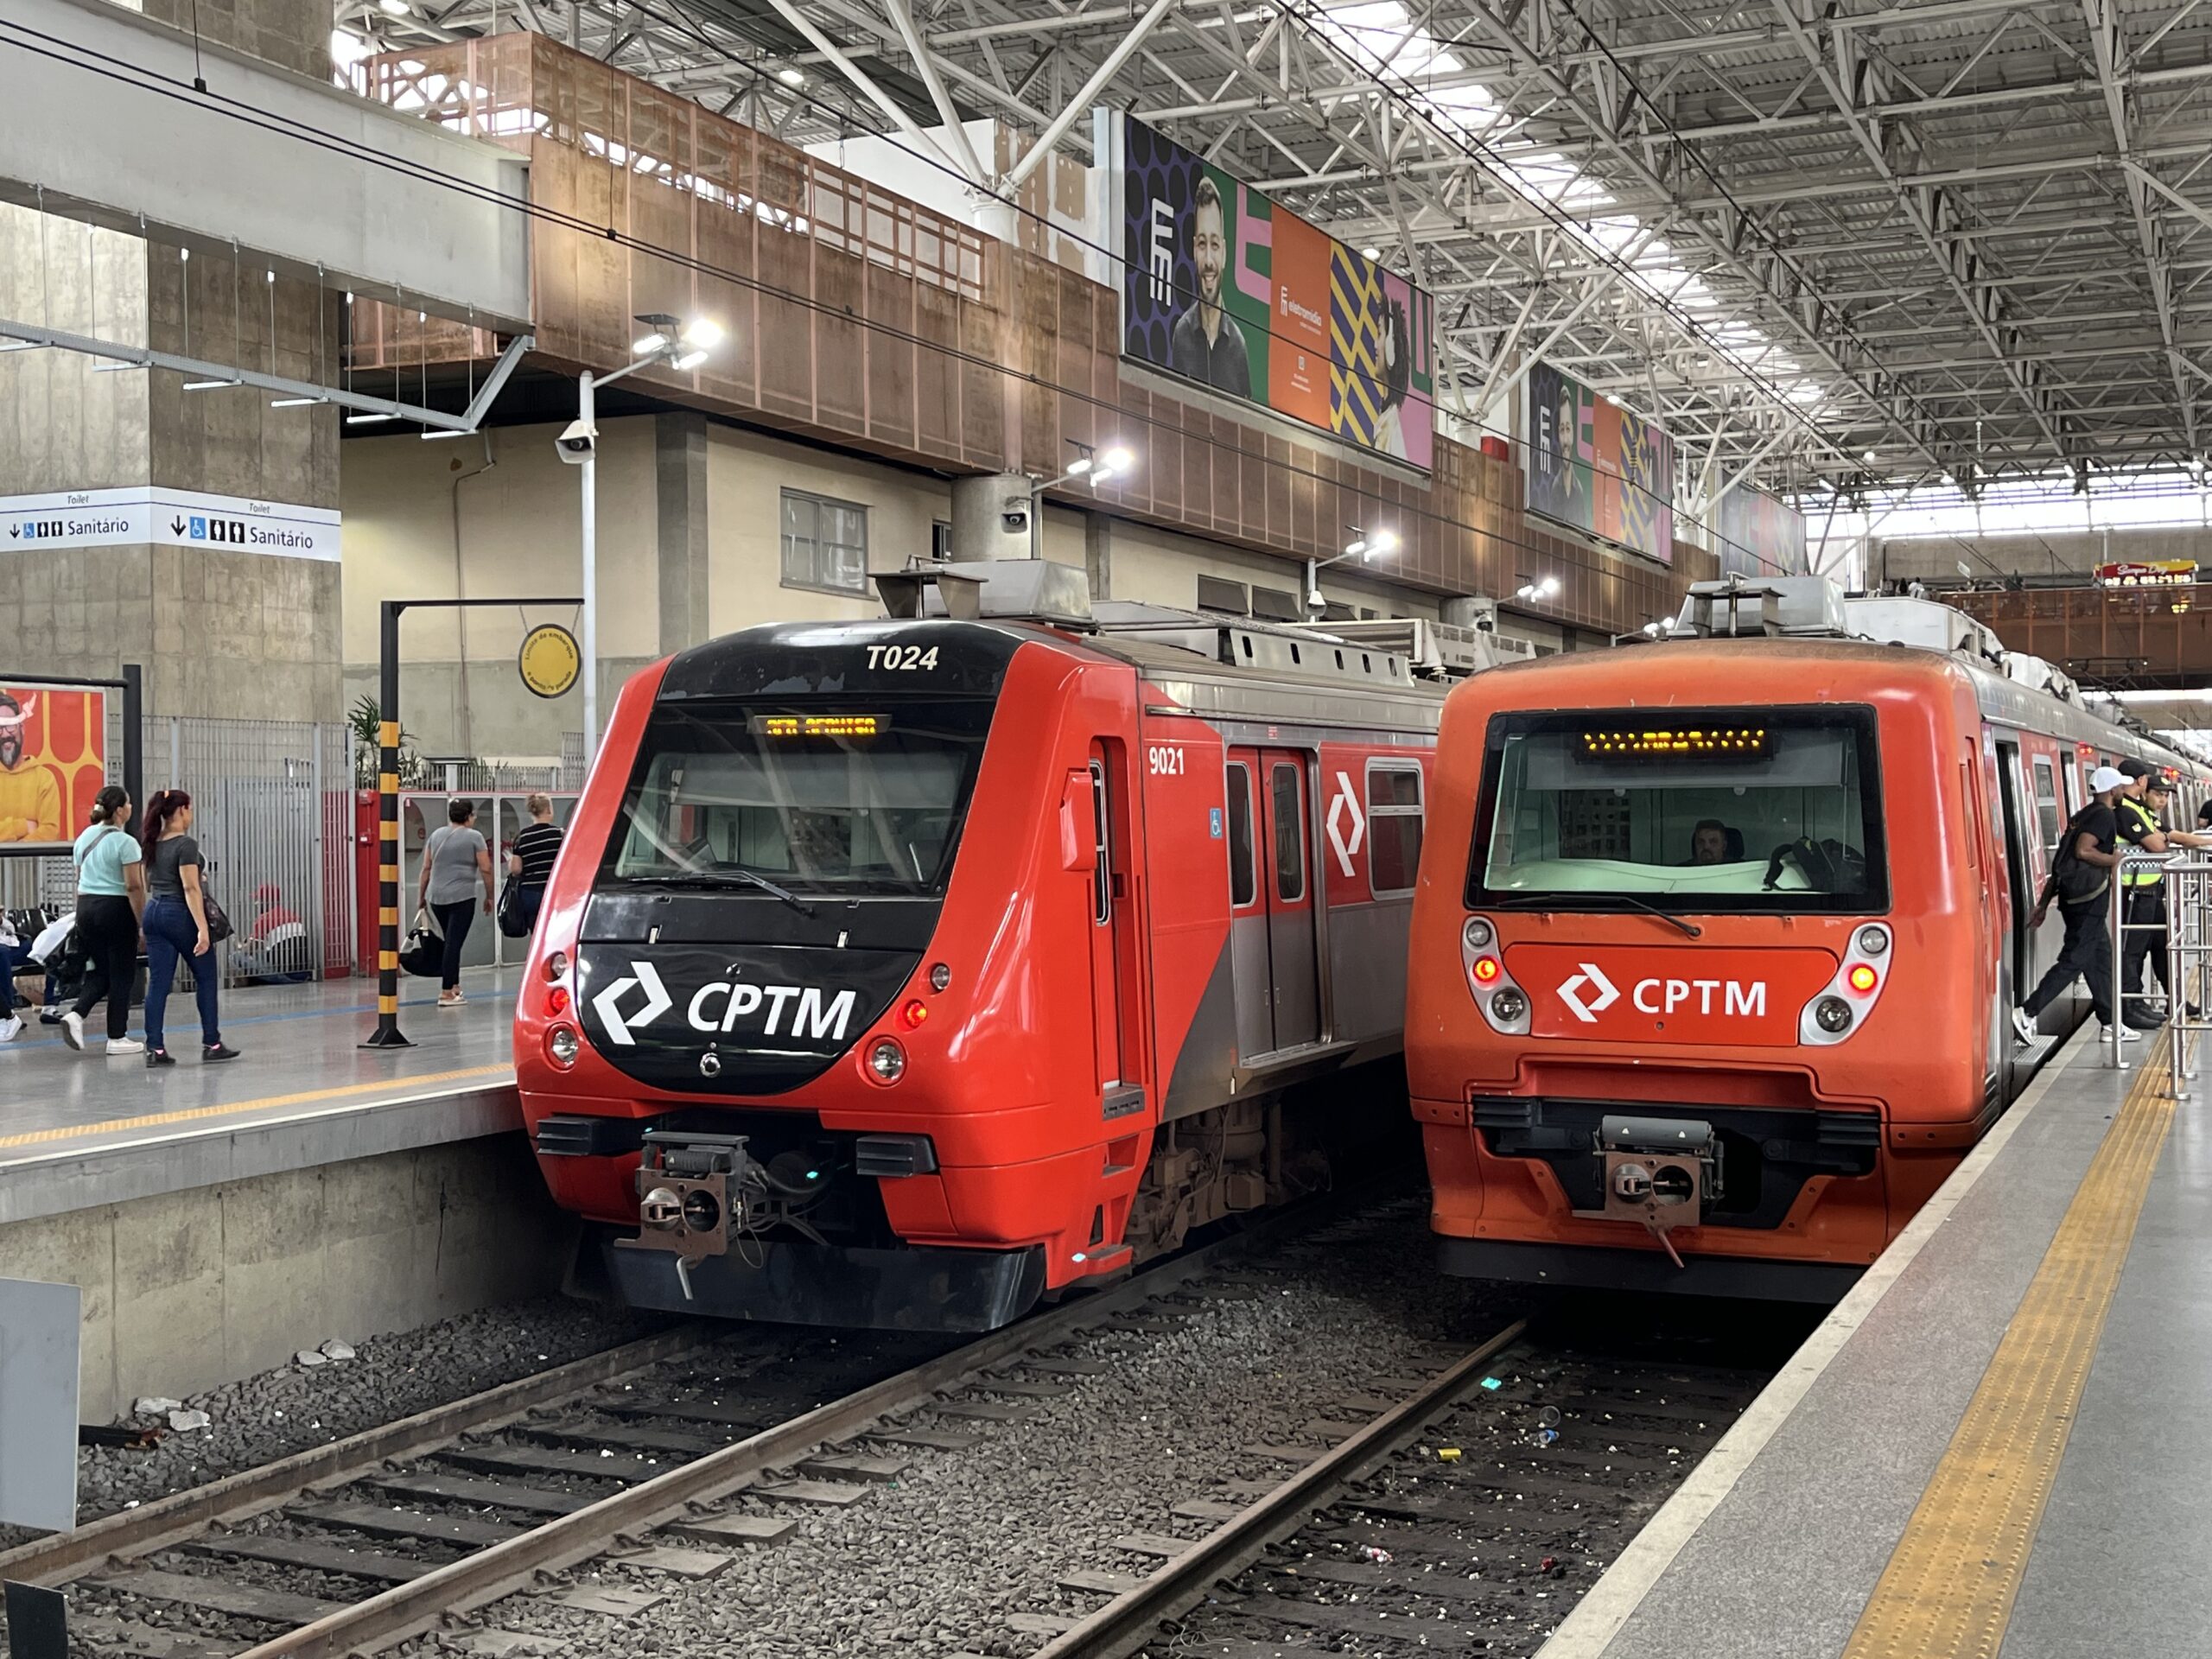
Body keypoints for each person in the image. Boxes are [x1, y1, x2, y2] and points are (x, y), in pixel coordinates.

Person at [2012, 766, 2159, 1046]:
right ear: (2111, 790)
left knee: (2101, 959)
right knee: (2075, 958)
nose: (2122, 793)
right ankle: (2027, 1011)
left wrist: (2044, 904)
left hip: (2074, 898)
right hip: (2089, 900)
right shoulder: (2103, 816)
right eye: (2119, 788)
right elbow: (2083, 851)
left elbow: (2062, 863)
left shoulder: (2082, 815)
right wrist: (2116, 860)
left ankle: (2110, 1023)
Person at [138, 790, 238, 1067]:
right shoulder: (186, 845)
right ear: (182, 810)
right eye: (190, 809)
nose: (191, 815)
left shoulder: (152, 842)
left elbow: (148, 884)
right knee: (206, 976)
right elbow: (190, 888)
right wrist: (203, 930)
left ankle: (155, 1049)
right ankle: (212, 1043)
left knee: (159, 983)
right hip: (178, 913)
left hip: (154, 911)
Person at [2113, 762, 2210, 1022]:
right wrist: (2163, 839)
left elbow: (2170, 835)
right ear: (2143, 782)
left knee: (2163, 946)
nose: (2163, 800)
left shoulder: (2142, 811)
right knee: (2132, 951)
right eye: (2159, 793)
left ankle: (2175, 1000)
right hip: (2133, 891)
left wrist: (2206, 840)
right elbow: (2158, 843)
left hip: (2151, 891)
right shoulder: (2125, 810)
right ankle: (2131, 1007)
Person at [61, 785, 146, 1056]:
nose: (131, 808)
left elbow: (79, 878)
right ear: (120, 810)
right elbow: (134, 886)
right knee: (122, 973)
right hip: (115, 908)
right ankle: (117, 1037)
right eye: (129, 803)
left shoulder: (83, 837)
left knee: (101, 971)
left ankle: (76, 1015)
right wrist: (142, 922)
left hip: (86, 907)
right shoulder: (126, 842)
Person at [1167, 176, 1252, 398]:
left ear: (1223, 253)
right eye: (1202, 244)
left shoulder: (1239, 346)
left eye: (1214, 245)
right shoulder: (1181, 334)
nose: (1208, 261)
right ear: (1194, 249)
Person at [418, 799, 492, 1008]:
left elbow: (426, 868)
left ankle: (455, 985)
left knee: (451, 942)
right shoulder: (475, 837)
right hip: (462, 897)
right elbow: (485, 868)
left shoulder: (436, 835)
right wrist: (490, 896)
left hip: (436, 897)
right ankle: (446, 992)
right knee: (453, 943)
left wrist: (421, 897)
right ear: (468, 816)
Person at [0, 693, 61, 843]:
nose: (5, 734)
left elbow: (50, 832)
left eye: (10, 726)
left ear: (22, 728)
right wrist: (22, 826)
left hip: (32, 867)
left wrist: (15, 851)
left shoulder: (44, 778)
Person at [507, 794, 565, 934]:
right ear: (548, 810)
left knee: (537, 934)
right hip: (554, 892)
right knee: (555, 932)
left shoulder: (522, 837)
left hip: (530, 893)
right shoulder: (560, 835)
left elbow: (516, 869)